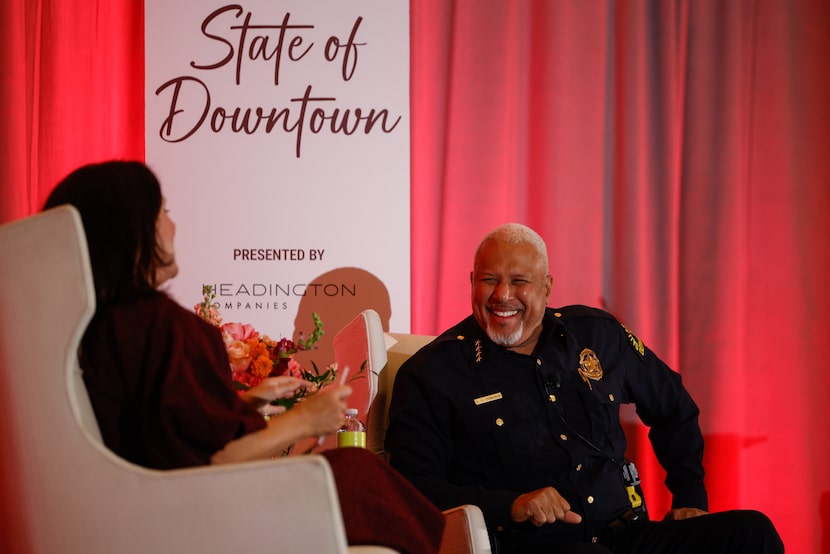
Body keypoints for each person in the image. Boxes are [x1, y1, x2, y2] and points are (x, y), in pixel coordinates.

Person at [42, 160, 444, 553]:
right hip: (189, 515)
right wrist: (305, 419)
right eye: (163, 212)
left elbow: (154, 430)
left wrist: (245, 402)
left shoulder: (97, 329)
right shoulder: (159, 325)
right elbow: (211, 458)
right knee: (358, 475)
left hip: (137, 511)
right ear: (132, 231)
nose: (173, 225)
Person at [386, 223, 784, 554]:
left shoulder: (597, 335)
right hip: (536, 545)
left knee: (751, 534)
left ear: (546, 287)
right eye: (489, 280)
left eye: (518, 281)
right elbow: (411, 487)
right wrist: (511, 505)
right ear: (472, 281)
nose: (501, 296)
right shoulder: (432, 373)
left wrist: (690, 498)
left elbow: (673, 406)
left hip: (629, 535)